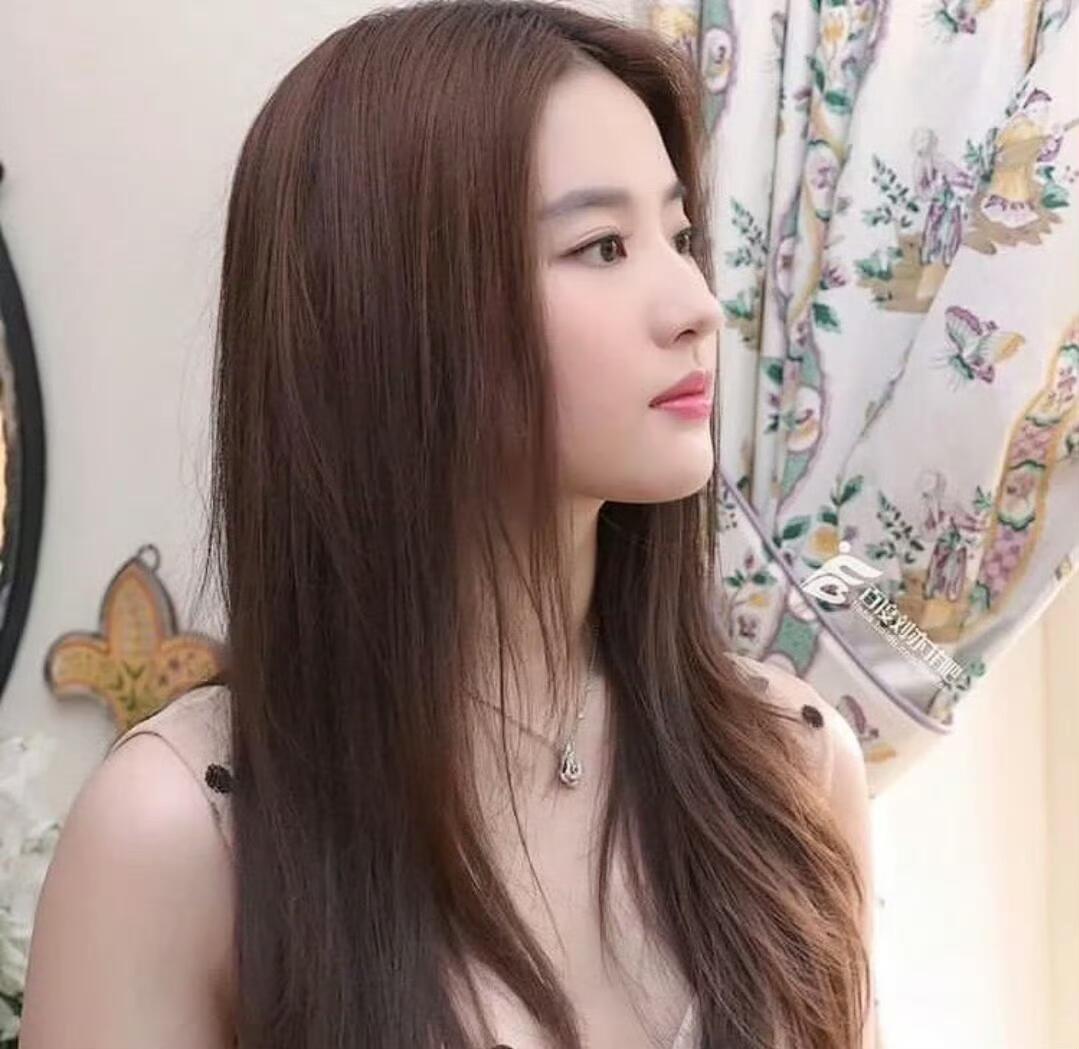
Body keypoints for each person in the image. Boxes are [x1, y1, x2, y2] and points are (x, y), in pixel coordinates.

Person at [19, 2, 875, 1046]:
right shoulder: (184, 834)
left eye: (679, 236)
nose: (695, 303)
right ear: (389, 308)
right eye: (603, 246)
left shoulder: (789, 769)